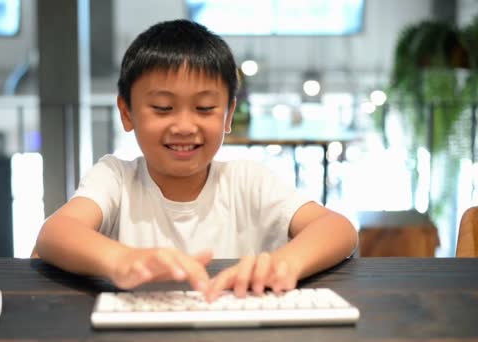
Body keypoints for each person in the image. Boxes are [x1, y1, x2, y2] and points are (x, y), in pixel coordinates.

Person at [34, 19, 358, 302]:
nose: (185, 127)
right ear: (126, 112)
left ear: (229, 114)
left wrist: (285, 263)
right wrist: (122, 260)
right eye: (162, 107)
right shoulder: (116, 178)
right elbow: (55, 233)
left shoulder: (247, 180)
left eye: (204, 108)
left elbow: (338, 228)